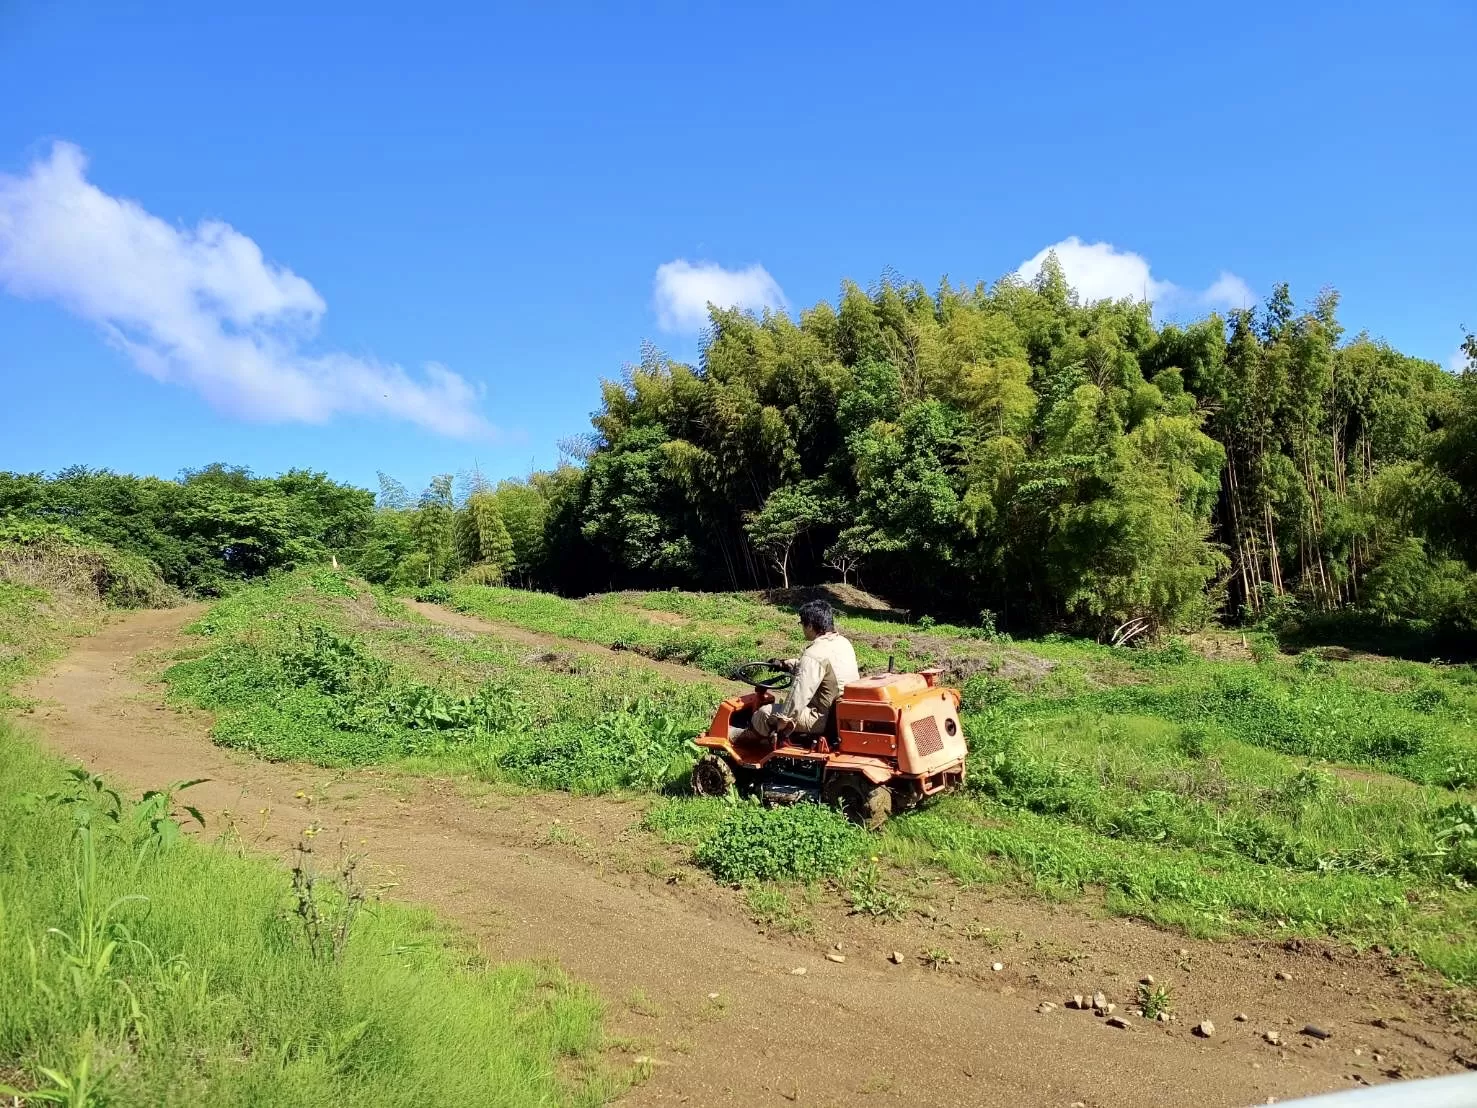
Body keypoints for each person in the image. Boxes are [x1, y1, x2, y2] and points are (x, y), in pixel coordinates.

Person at [750, 599, 859, 741]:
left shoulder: (814, 653)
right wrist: (785, 664)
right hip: (842, 713)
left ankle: (743, 745)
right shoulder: (843, 643)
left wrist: (784, 720)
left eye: (802, 623)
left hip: (821, 718)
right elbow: (820, 668)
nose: (802, 627)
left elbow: (800, 692)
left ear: (810, 626)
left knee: (763, 714)